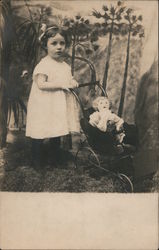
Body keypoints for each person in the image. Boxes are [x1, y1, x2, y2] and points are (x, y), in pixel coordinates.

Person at [26, 25, 80, 169]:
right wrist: (61, 85)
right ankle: (36, 162)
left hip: (56, 105)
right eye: (54, 43)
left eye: (62, 43)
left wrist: (72, 81)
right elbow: (41, 84)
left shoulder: (64, 65)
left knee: (57, 130)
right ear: (45, 45)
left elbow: (68, 78)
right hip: (43, 104)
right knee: (40, 130)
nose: (59, 47)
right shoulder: (44, 65)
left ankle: (55, 158)